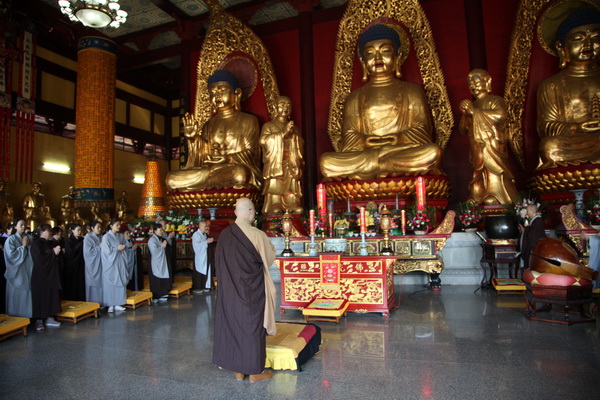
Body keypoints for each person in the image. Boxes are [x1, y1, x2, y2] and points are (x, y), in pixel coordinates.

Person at [320, 24, 443, 179]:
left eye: (385, 51)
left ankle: (375, 170)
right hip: (367, 153)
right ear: (363, 61)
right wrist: (365, 140)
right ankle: (383, 168)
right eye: (370, 53)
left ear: (397, 56)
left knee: (433, 153)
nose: (377, 58)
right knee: (327, 162)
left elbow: (422, 128)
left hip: (398, 151)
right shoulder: (355, 97)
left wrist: (397, 138)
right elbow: (349, 136)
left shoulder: (412, 90)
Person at [213, 197, 277, 383]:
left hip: (230, 291)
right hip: (252, 291)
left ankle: (238, 370)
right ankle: (255, 372)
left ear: (235, 213)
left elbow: (218, 261)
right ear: (251, 212)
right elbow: (270, 257)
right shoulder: (257, 234)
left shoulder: (225, 235)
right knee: (252, 326)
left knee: (233, 324)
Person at [166, 70, 262, 191]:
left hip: (231, 170)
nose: (217, 96)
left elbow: (252, 154)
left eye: (222, 90)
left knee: (240, 174)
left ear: (236, 94)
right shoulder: (209, 124)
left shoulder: (248, 120)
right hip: (209, 171)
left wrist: (228, 159)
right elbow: (202, 157)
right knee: (171, 179)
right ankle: (210, 187)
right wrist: (193, 138)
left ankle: (207, 188)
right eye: (212, 92)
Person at [536, 8, 600, 170]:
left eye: (595, 36)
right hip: (574, 145)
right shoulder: (551, 85)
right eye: (578, 38)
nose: (588, 44)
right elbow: (546, 127)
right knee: (549, 147)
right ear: (561, 48)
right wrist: (576, 127)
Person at [459, 69, 519, 205]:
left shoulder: (495, 100)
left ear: (487, 82)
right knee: (478, 173)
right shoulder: (472, 105)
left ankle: (499, 196)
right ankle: (479, 195)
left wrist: (474, 112)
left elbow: (501, 115)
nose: (472, 85)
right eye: (470, 83)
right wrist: (465, 114)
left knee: (494, 170)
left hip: (491, 146)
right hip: (476, 147)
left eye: (476, 81)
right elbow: (463, 129)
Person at [260, 96, 304, 214]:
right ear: (275, 107)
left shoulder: (294, 128)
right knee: (275, 188)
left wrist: (294, 137)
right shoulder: (269, 126)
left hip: (290, 164)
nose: (286, 108)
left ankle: (292, 205)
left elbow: (300, 144)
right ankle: (275, 203)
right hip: (276, 164)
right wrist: (282, 134)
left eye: (288, 105)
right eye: (282, 105)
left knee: (297, 206)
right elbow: (263, 141)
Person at [30, 224, 62, 331]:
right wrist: (53, 252)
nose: (50, 233)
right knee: (40, 296)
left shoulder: (50, 242)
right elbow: (39, 259)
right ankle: (39, 320)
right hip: (40, 275)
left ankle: (49, 317)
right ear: (42, 232)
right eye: (48, 230)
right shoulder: (36, 243)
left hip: (51, 274)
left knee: (50, 295)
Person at [3, 218, 33, 317]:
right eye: (21, 225)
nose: (23, 227)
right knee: (17, 297)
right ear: (15, 227)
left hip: (28, 271)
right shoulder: (10, 240)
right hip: (17, 273)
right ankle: (16, 318)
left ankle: (28, 316)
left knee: (27, 295)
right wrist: (23, 247)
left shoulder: (29, 238)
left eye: (25, 224)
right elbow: (12, 256)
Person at [101, 219, 128, 312]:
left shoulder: (120, 236)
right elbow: (106, 252)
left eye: (119, 225)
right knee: (110, 283)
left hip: (120, 261)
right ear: (111, 226)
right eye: (117, 225)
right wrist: (117, 249)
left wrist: (123, 248)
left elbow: (125, 246)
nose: (119, 226)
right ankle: (110, 304)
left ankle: (118, 303)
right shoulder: (106, 237)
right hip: (111, 263)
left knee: (120, 280)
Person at [147, 223, 171, 302]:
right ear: (155, 231)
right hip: (156, 261)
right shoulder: (152, 240)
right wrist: (162, 246)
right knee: (156, 277)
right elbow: (154, 252)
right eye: (160, 230)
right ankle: (156, 295)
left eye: (162, 230)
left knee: (163, 274)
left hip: (162, 261)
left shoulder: (160, 238)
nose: (162, 231)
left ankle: (163, 293)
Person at [518, 204, 546, 269]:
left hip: (533, 250)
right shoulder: (534, 221)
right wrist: (525, 229)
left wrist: (526, 228)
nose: (526, 212)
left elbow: (533, 237)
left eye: (527, 210)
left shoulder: (538, 221)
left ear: (533, 211)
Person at [64, 224, 85, 301]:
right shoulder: (68, 240)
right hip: (71, 265)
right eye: (78, 230)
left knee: (80, 284)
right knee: (72, 284)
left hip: (80, 264)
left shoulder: (82, 239)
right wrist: (80, 244)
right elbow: (70, 252)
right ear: (73, 231)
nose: (80, 232)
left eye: (80, 230)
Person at [84, 220, 103, 304]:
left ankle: (103, 302)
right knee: (94, 284)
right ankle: (93, 303)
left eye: (100, 227)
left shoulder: (101, 237)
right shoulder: (88, 238)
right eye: (97, 227)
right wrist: (99, 248)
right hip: (93, 264)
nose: (99, 229)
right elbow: (88, 253)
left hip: (102, 264)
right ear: (92, 228)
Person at [192, 220, 214, 292]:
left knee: (207, 270)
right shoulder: (196, 235)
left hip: (205, 256)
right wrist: (206, 242)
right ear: (200, 226)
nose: (206, 228)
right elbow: (196, 246)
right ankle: (198, 287)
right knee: (200, 271)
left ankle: (205, 286)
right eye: (205, 227)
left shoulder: (204, 234)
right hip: (200, 257)